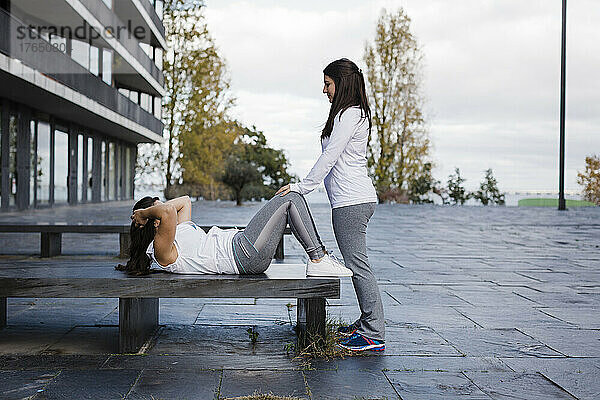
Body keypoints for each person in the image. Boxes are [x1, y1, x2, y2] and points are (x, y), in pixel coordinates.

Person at [276, 58, 385, 352]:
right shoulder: (348, 114)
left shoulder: (350, 114)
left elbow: (330, 157)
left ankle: (373, 333)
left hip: (352, 201)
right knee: (357, 263)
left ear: (342, 82)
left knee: (357, 265)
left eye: (328, 83)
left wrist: (302, 187)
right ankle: (367, 323)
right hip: (350, 200)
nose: (324, 89)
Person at [116, 193, 352, 278]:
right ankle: (319, 259)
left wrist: (152, 209)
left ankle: (319, 259)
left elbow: (185, 202)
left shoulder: (177, 230)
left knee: (292, 196)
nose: (162, 209)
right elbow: (167, 211)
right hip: (242, 255)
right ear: (152, 222)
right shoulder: (161, 250)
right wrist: (145, 213)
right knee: (291, 199)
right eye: (155, 211)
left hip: (242, 246)